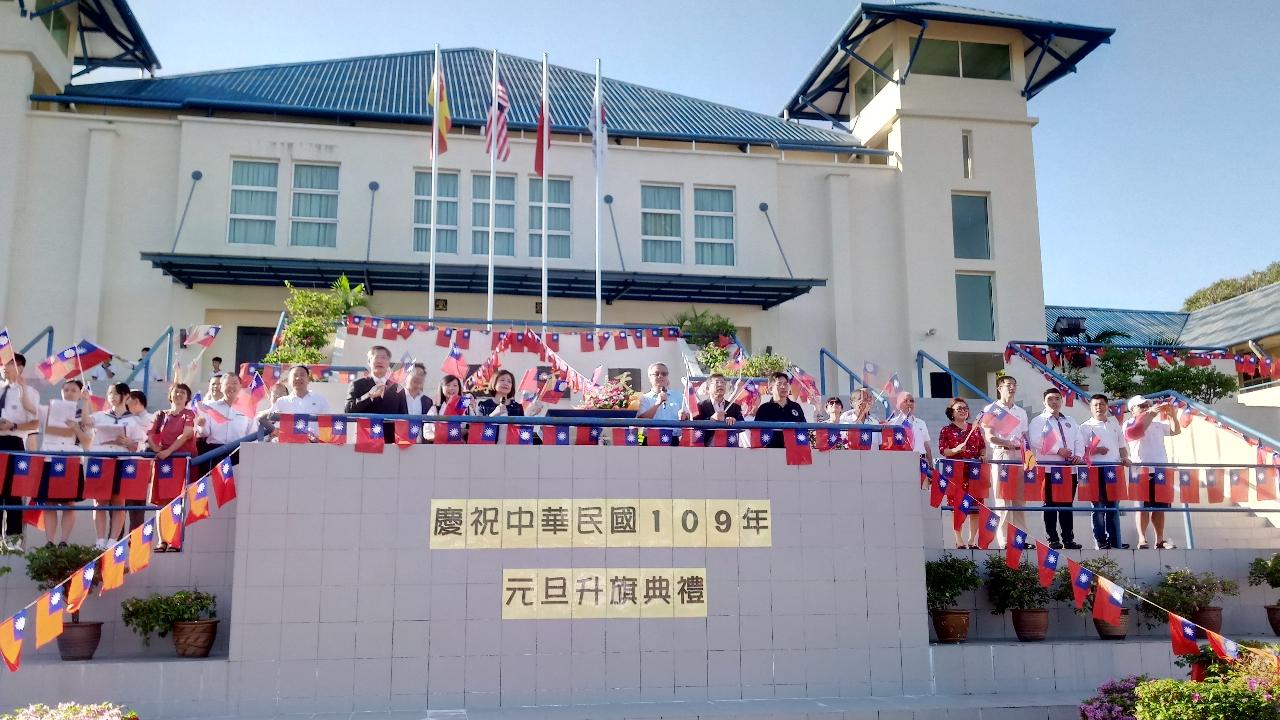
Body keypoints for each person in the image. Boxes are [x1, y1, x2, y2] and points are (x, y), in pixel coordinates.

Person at [38, 380, 92, 547]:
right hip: (49, 457)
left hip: (71, 460)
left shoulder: (83, 414)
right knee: (49, 502)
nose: (69, 393)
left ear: (79, 393)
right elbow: (31, 410)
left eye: (74, 390)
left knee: (69, 502)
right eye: (66, 389)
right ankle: (49, 541)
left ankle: (64, 540)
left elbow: (87, 443)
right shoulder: (48, 410)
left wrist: (76, 425)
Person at [90, 382, 144, 549]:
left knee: (119, 501)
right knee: (99, 501)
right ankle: (100, 540)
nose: (111, 396)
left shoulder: (134, 420)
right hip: (102, 460)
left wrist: (130, 443)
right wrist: (86, 400)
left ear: (125, 396)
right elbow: (84, 423)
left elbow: (141, 445)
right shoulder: (100, 416)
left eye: (115, 393)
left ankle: (113, 540)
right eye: (109, 393)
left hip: (122, 461)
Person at [1028, 388, 1083, 550]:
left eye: (1057, 399)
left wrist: (1078, 455)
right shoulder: (1038, 420)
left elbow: (1079, 439)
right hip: (1049, 468)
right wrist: (1058, 450)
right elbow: (1036, 440)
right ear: (1044, 402)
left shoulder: (1071, 420)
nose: (1054, 402)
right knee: (1050, 504)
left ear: (1062, 401)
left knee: (1067, 504)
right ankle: (1052, 538)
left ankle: (1068, 539)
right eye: (1050, 399)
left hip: (1069, 469)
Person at [1126, 394, 1181, 549]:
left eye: (1146, 405)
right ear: (1132, 410)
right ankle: (1142, 538)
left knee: (1160, 507)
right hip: (1141, 469)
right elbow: (1137, 432)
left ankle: (1160, 539)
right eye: (1141, 406)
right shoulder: (1129, 424)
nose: (1145, 408)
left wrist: (1173, 416)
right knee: (1141, 507)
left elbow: (1175, 431)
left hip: (1160, 469)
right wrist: (1150, 414)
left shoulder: (1157, 424)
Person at [148, 384, 197, 551]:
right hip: (162, 462)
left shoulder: (189, 414)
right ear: (170, 395)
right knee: (161, 502)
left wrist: (169, 451)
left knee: (177, 500)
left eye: (183, 392)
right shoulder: (160, 415)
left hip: (179, 461)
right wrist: (157, 450)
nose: (178, 394)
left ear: (187, 397)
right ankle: (162, 540)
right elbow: (150, 435)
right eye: (176, 391)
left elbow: (187, 434)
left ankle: (175, 539)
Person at [983, 376, 1030, 549]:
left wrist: (1028, 453)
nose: (1011, 388)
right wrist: (1006, 443)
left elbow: (1024, 436)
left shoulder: (1021, 411)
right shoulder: (992, 409)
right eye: (1008, 385)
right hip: (1002, 454)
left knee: (1019, 499)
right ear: (999, 387)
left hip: (1019, 456)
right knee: (1003, 499)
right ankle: (1004, 541)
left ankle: (1020, 540)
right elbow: (989, 436)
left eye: (1014, 385)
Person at [0, 352, 39, 550]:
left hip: (14, 442)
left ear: (20, 367)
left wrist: (13, 426)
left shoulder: (29, 392)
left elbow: (34, 422)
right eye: (2, 364)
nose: (4, 368)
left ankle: (13, 539)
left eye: (8, 364)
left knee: (13, 492)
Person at [1080, 393, 1130, 550]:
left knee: (1113, 507)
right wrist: (1096, 450)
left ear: (1107, 406)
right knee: (1098, 508)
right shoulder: (1085, 427)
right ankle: (1101, 542)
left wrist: (1124, 458)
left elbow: (1122, 448)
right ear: (1091, 407)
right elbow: (1080, 451)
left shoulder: (1115, 426)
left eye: (1102, 404)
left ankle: (1115, 541)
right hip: (1094, 470)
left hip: (1113, 471)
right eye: (1095, 405)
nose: (1098, 407)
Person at [938, 397, 987, 548]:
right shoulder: (946, 430)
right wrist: (955, 450)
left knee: (975, 507)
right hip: (956, 471)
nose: (963, 411)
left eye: (965, 408)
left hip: (974, 471)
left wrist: (984, 455)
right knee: (957, 506)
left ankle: (972, 540)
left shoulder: (975, 428)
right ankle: (959, 539)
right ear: (951, 412)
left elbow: (982, 446)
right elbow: (943, 450)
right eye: (959, 409)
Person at [345, 345, 408, 443]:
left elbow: (404, 418)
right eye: (376, 357)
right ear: (369, 362)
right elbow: (348, 411)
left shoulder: (398, 388)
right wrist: (370, 396)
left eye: (383, 358)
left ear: (388, 362)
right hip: (364, 440)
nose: (379, 361)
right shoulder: (357, 384)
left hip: (389, 442)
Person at [118, 390, 151, 540]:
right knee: (118, 509)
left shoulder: (152, 419)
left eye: (128, 400)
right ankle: (114, 548)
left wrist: (135, 445)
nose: (125, 403)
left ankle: (135, 549)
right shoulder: (123, 419)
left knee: (136, 511)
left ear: (136, 401)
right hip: (121, 465)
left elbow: (153, 444)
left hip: (140, 467)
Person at [268, 366, 331, 441]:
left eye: (302, 375)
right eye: (295, 375)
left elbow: (328, 426)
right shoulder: (281, 402)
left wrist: (318, 439)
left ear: (308, 379)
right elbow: (273, 427)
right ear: (289, 381)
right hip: (288, 447)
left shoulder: (320, 399)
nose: (298, 378)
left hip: (314, 446)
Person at [753, 372, 807, 448]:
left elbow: (804, 428)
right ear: (771, 388)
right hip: (770, 452)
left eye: (785, 384)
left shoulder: (796, 407)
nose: (783, 387)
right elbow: (757, 433)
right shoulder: (764, 409)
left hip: (793, 452)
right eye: (779, 384)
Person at [692, 373, 744, 446]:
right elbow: (694, 425)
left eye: (723, 382)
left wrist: (734, 421)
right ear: (708, 388)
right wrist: (711, 419)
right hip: (706, 448)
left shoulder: (734, 407)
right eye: (717, 382)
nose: (720, 385)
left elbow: (743, 427)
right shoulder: (700, 406)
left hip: (730, 448)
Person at [887, 392, 934, 465]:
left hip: (921, 462)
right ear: (899, 405)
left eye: (911, 401)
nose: (909, 403)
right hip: (902, 461)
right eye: (905, 401)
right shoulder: (892, 423)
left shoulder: (921, 423)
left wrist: (931, 463)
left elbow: (926, 444)